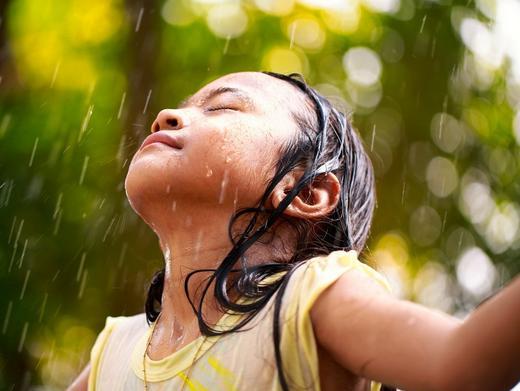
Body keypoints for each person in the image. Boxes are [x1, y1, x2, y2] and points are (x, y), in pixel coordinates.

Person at [68, 72, 520, 391]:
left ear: (304, 191)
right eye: (183, 107)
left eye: (223, 107)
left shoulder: (305, 303)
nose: (164, 115)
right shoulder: (114, 354)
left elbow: (460, 367)